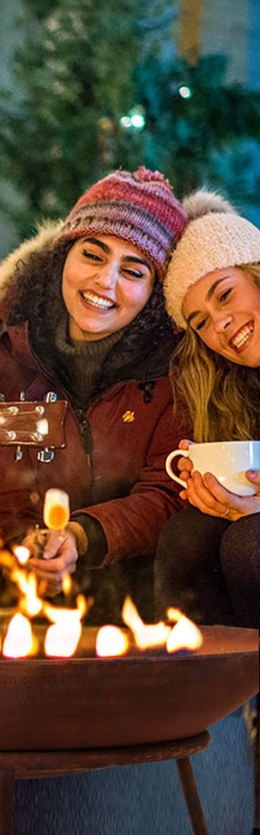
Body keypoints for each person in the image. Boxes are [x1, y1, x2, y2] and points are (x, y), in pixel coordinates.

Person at [0, 168, 190, 622]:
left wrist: (82, 536)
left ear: (154, 291)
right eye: (93, 254)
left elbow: (166, 491)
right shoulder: (0, 361)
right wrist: (32, 543)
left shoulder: (177, 370)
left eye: (133, 270)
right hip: (23, 589)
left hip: (144, 596)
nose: (105, 282)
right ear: (63, 256)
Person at [154, 192, 260, 628]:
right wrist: (217, 497)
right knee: (187, 536)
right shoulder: (236, 386)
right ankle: (202, 693)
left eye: (225, 295)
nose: (219, 324)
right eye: (199, 322)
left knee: (249, 543)